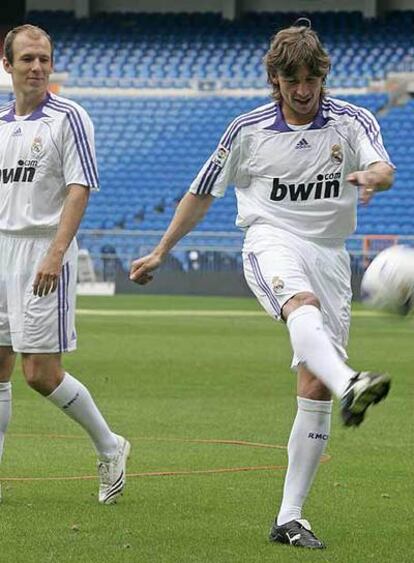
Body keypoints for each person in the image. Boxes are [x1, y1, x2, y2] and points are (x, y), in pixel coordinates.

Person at [129, 20, 394, 549]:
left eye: (311, 79)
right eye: (291, 79)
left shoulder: (351, 121)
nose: (302, 90)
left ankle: (290, 518)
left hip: (331, 256)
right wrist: (161, 250)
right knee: (303, 305)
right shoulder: (247, 130)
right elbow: (201, 193)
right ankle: (352, 385)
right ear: (274, 79)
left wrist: (373, 177)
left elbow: (383, 167)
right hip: (270, 240)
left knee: (313, 384)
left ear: (323, 76)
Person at [0, 24, 130, 504]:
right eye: (28, 59)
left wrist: (56, 251)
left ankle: (110, 446)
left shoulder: (69, 117)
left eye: (44, 59)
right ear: (7, 63)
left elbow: (80, 188)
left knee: (39, 373)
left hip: (42, 250)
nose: (37, 67)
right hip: (1, 248)